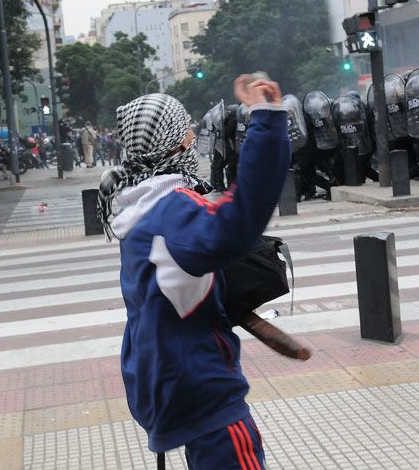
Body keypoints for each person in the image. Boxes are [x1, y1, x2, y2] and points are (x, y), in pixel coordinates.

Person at [97, 76, 289, 469]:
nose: (192, 136)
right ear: (176, 142)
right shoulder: (173, 211)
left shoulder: (135, 211)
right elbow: (242, 219)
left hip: (167, 387)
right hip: (203, 393)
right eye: (186, 128)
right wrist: (266, 123)